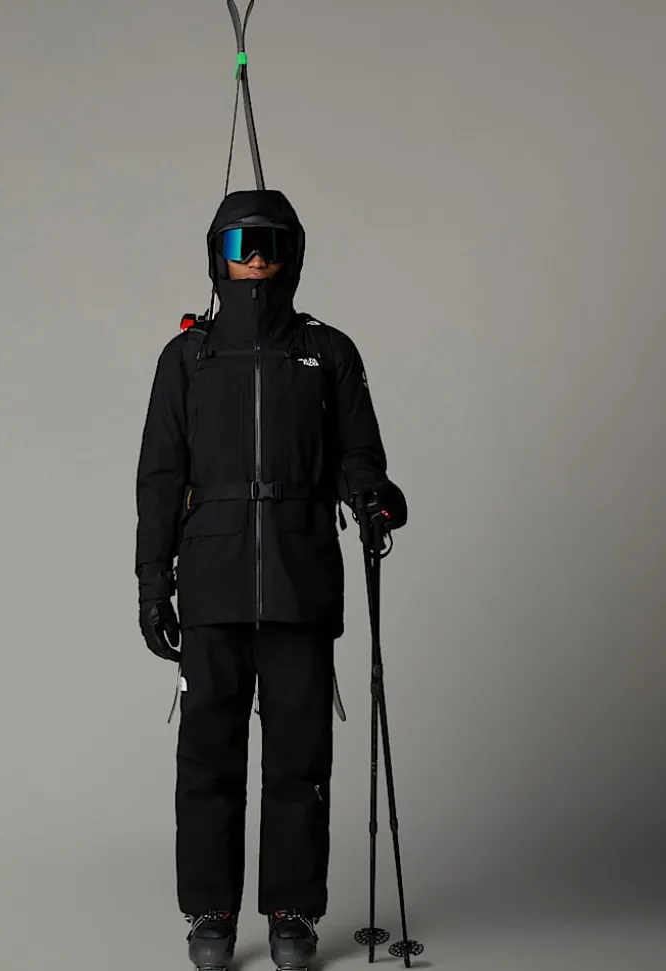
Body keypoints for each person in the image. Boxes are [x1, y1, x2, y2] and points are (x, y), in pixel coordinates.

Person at [134, 188, 407, 971]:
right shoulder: (185, 358)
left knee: (299, 756)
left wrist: (372, 496)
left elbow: (359, 452)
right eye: (238, 243)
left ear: (294, 252)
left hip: (299, 578)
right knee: (207, 757)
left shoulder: (328, 352)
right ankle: (211, 910)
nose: (254, 256)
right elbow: (160, 476)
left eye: (270, 242)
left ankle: (292, 908)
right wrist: (153, 582)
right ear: (215, 255)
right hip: (213, 581)